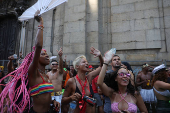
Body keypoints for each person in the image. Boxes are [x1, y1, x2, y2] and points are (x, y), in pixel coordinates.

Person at [0, 10, 58, 113]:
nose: (47, 55)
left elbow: (44, 95)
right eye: (43, 54)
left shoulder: (46, 75)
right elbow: (38, 46)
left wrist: (52, 101)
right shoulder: (33, 73)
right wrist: (40, 23)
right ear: (35, 58)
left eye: (46, 54)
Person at [61, 47, 103, 113]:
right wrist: (71, 98)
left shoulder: (89, 77)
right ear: (77, 66)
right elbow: (63, 100)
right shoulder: (71, 81)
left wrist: (100, 56)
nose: (87, 63)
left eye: (87, 62)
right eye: (84, 62)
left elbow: (101, 66)